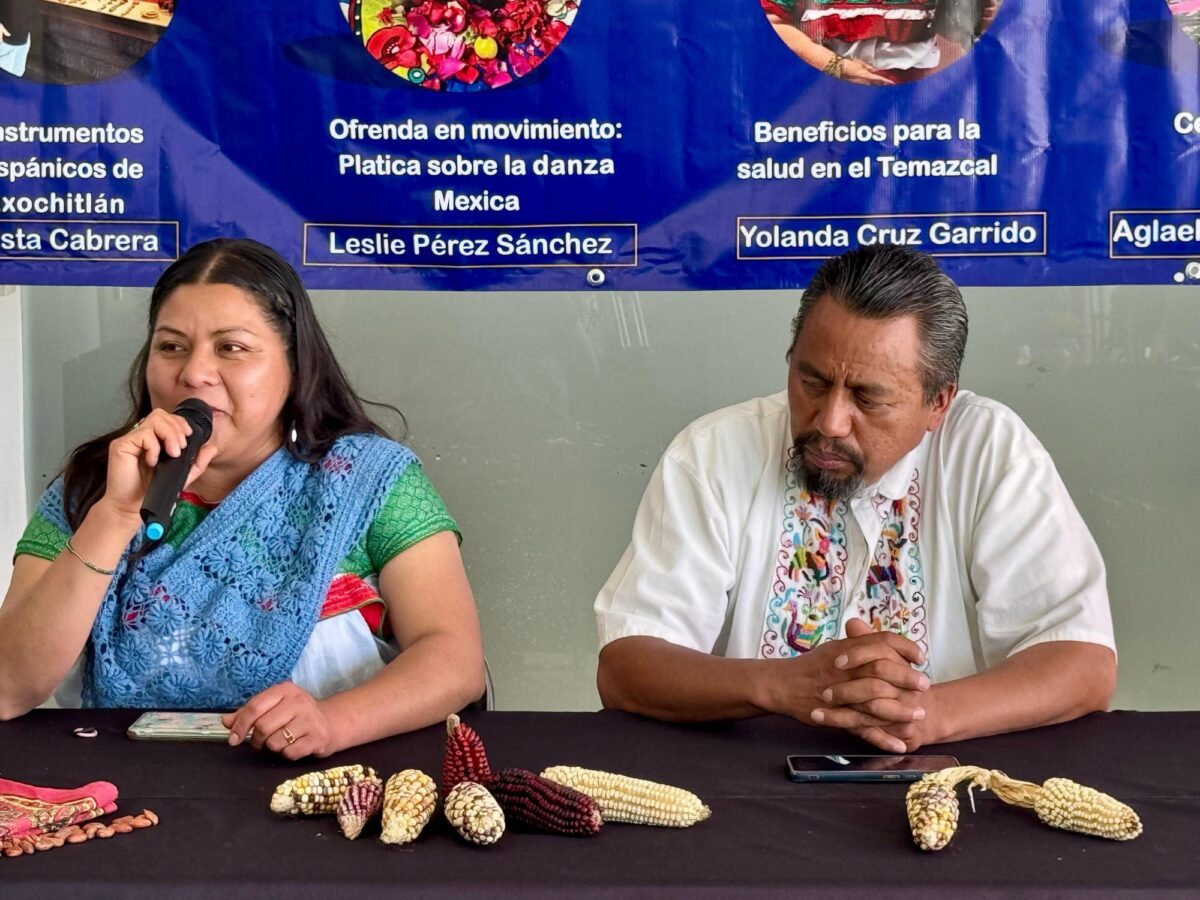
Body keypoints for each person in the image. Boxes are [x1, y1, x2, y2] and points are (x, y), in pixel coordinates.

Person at [595, 244, 1116, 753]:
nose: (830, 421)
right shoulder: (714, 452)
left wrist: (926, 716)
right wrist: (780, 684)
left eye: (868, 397)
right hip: (741, 788)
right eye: (812, 381)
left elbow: (1082, 660)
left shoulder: (989, 450)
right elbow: (626, 666)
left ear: (938, 403)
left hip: (946, 781)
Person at [0, 238, 486, 758]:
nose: (193, 373)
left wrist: (332, 721)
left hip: (323, 791)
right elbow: (9, 687)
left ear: (293, 365)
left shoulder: (367, 480)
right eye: (171, 346)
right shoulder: (88, 487)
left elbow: (455, 661)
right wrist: (115, 516)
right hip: (125, 791)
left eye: (231, 348)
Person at [760, 0, 1000, 86]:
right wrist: (838, 67)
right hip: (824, 94)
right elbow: (776, 24)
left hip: (920, 91)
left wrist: (980, 16)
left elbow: (962, 28)